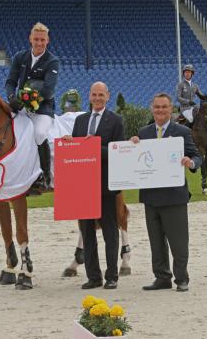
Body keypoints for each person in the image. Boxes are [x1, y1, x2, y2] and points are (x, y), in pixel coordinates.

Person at [130, 93, 201, 292]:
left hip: (174, 195)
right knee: (156, 241)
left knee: (178, 241)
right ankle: (162, 277)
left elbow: (196, 155)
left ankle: (181, 278)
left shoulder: (182, 131)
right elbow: (134, 160)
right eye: (157, 107)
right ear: (152, 109)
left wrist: (191, 162)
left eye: (164, 107)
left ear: (171, 109)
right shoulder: (143, 133)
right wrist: (131, 146)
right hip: (151, 196)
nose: (160, 110)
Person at [63, 81, 124, 290]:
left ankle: (112, 276)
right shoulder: (80, 120)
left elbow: (118, 151)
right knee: (87, 233)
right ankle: (93, 276)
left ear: (107, 96)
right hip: (83, 186)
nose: (97, 98)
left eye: (101, 95)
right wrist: (69, 143)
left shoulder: (116, 120)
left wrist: (95, 145)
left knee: (110, 233)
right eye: (94, 94)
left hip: (106, 185)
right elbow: (77, 151)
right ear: (89, 96)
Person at [5, 22, 59, 191]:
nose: (39, 43)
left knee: (39, 133)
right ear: (30, 39)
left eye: (42, 39)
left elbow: (48, 90)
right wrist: (11, 97)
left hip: (43, 108)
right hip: (20, 105)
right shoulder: (20, 57)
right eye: (36, 39)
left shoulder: (52, 61)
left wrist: (31, 102)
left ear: (47, 40)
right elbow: (11, 82)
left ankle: (45, 177)